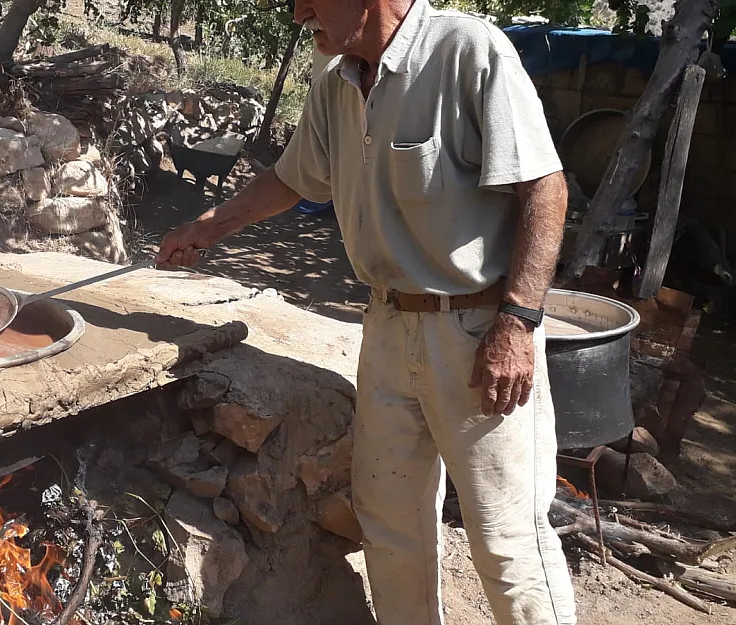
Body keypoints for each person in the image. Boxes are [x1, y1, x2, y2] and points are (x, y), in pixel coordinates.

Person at [155, 0, 577, 624]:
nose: (299, 16)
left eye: (308, 0)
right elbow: (294, 180)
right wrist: (211, 226)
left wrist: (517, 322)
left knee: (506, 537)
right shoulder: (337, 84)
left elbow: (545, 187)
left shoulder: (468, 50)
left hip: (477, 331)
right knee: (390, 525)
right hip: (386, 327)